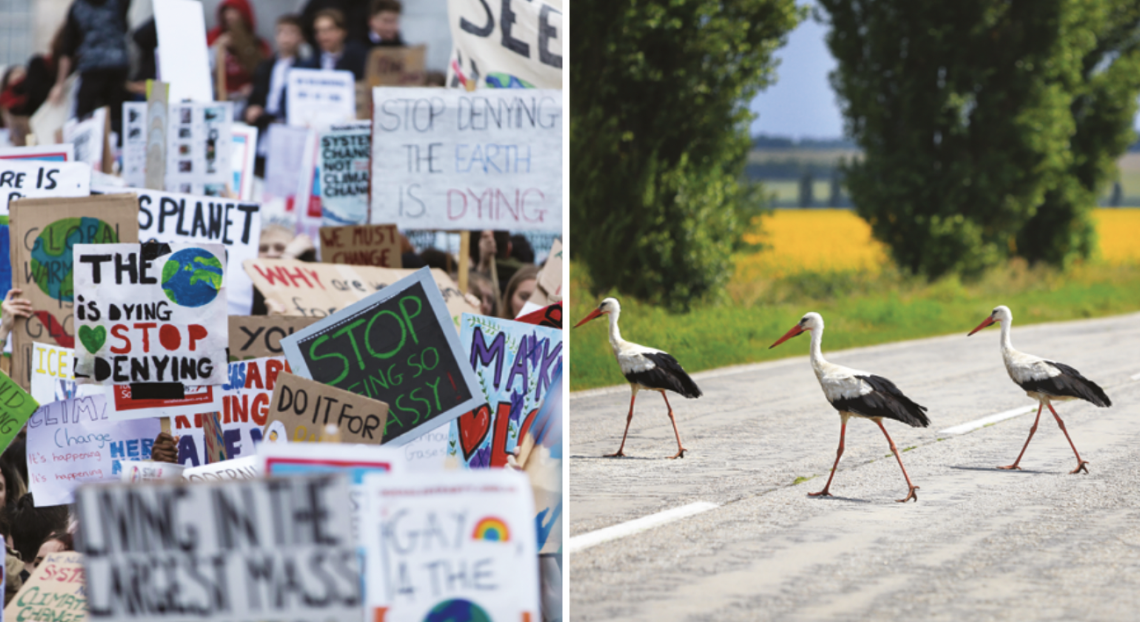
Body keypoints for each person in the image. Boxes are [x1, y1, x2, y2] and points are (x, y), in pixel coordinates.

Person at [50, 0, 133, 136]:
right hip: (116, 66)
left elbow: (67, 49)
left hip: (93, 68)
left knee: (84, 118)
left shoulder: (78, 7)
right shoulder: (117, 3)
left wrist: (60, 84)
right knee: (116, 118)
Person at [245, 14, 305, 132]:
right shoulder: (265, 66)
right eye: (281, 32)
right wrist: (252, 108)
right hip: (264, 124)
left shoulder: (305, 68)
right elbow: (256, 95)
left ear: (301, 37)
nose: (285, 37)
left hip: (291, 125)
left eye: (291, 32)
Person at [207, 0, 270, 99]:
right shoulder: (213, 38)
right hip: (218, 96)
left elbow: (262, 72)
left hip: (245, 98)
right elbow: (203, 69)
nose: (229, 16)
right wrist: (218, 47)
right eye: (226, 12)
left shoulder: (258, 44)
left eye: (234, 11)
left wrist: (254, 87)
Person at [299, 9, 367, 81]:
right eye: (318, 31)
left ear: (342, 31)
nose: (322, 35)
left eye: (328, 29)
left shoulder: (358, 57)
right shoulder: (310, 60)